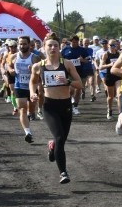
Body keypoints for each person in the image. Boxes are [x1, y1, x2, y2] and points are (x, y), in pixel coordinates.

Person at [30, 33, 83, 184]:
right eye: (50, 45)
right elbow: (32, 82)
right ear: (44, 47)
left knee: (61, 140)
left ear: (60, 48)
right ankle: (63, 172)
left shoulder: (66, 64)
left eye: (55, 45)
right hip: (49, 106)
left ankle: (52, 145)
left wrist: (68, 81)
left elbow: (80, 84)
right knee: (59, 137)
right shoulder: (38, 66)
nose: (53, 48)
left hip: (65, 105)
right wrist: (33, 93)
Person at [8, 36, 36, 142]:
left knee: (31, 110)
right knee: (22, 109)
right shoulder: (14, 56)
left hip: (32, 87)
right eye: (20, 44)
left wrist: (33, 68)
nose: (22, 46)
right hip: (19, 86)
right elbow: (9, 65)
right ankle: (28, 132)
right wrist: (10, 70)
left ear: (29, 45)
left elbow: (41, 69)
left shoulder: (34, 57)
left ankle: (31, 114)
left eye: (24, 44)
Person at [60, 35, 92, 115]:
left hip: (81, 72)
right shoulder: (65, 50)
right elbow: (60, 60)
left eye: (76, 42)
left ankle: (75, 106)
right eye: (73, 42)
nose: (75, 43)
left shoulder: (82, 50)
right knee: (71, 90)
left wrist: (82, 60)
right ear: (70, 42)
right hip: (69, 73)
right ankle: (70, 102)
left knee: (78, 90)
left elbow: (88, 60)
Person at [100, 39, 121, 120]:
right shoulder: (106, 55)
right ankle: (109, 110)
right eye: (111, 45)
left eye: (114, 45)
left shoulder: (119, 54)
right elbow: (101, 67)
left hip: (118, 76)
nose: (113, 47)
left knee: (119, 95)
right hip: (109, 76)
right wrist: (110, 64)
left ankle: (120, 113)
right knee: (110, 96)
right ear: (108, 45)